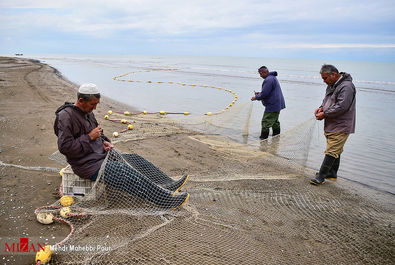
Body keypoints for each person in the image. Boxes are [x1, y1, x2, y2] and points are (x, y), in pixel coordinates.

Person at [54, 83, 189, 209]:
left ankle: (168, 184)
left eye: (96, 104)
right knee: (124, 171)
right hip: (87, 165)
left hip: (101, 155)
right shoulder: (66, 116)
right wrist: (89, 137)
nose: (95, 108)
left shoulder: (88, 112)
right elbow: (65, 148)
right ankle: (166, 200)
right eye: (92, 104)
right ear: (81, 100)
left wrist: (104, 141)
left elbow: (97, 133)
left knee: (135, 159)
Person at [310, 64, 356, 185]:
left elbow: (342, 106)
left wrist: (325, 114)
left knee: (331, 150)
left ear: (334, 75)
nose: (324, 81)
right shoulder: (332, 85)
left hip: (341, 124)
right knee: (336, 149)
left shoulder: (347, 87)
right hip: (332, 123)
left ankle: (321, 177)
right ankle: (332, 173)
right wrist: (321, 108)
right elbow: (327, 101)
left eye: (325, 78)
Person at [251, 66, 286, 139]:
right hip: (277, 104)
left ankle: (263, 139)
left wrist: (256, 97)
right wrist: (259, 93)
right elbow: (268, 92)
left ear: (265, 72)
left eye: (261, 74)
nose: (260, 76)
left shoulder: (268, 80)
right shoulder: (272, 78)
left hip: (272, 105)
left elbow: (265, 94)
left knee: (265, 122)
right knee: (275, 122)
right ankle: (276, 138)